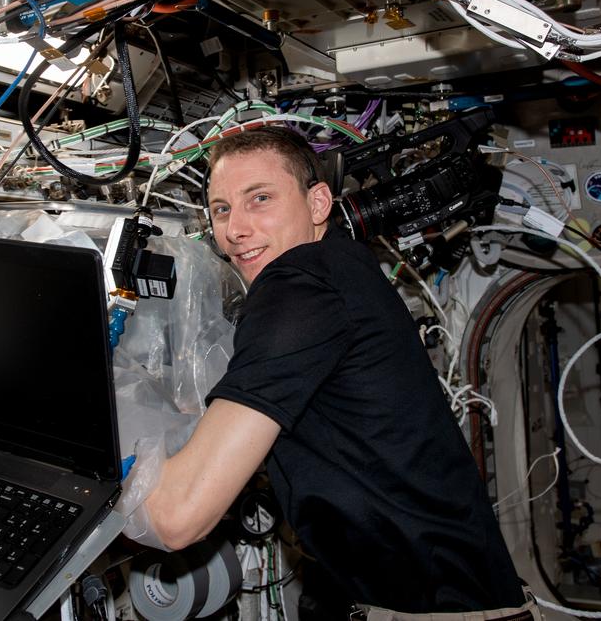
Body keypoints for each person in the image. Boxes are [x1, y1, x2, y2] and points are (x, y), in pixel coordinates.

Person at [138, 126, 529, 618]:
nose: (234, 229)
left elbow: (178, 517)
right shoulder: (342, 267)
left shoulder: (301, 284)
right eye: (221, 209)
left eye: (259, 199)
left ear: (319, 203)